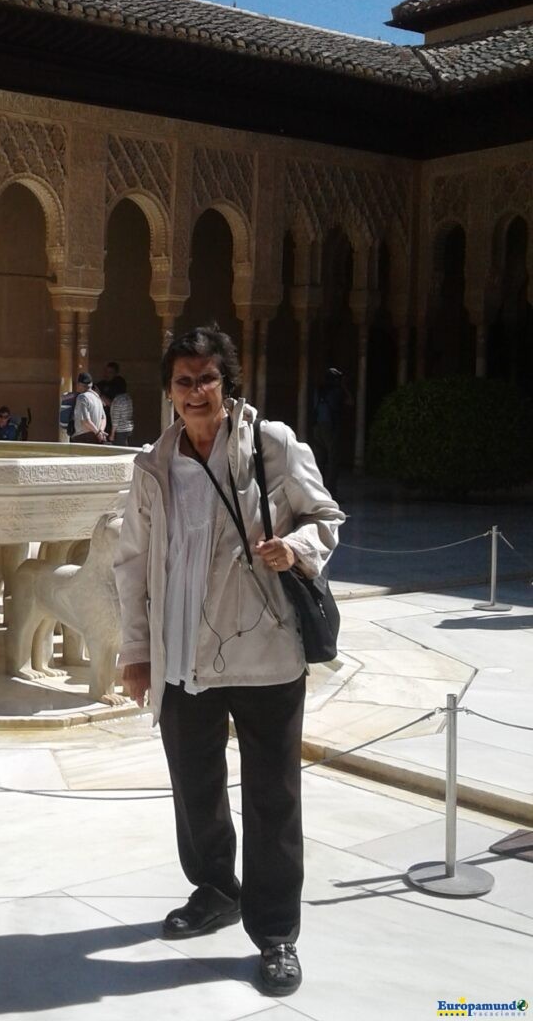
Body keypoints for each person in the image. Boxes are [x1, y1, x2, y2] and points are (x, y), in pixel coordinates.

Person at [114, 324, 343, 997]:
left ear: (227, 383)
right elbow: (132, 565)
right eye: (183, 381)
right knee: (195, 790)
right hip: (182, 658)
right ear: (169, 391)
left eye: (206, 379)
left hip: (265, 652)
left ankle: (275, 934)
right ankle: (216, 889)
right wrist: (136, 654)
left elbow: (326, 516)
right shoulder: (152, 465)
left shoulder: (271, 445)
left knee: (272, 798)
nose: (194, 392)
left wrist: (295, 548)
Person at [310, 367, 351, 498]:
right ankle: (331, 492)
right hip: (330, 427)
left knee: (320, 459)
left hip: (317, 427)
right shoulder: (337, 391)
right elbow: (351, 402)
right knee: (333, 460)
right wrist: (344, 387)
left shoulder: (319, 390)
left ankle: (317, 492)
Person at [70, 372, 107, 444]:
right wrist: (101, 431)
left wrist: (97, 433)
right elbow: (104, 418)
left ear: (79, 385)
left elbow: (85, 420)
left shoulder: (82, 397)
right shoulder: (97, 397)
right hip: (95, 438)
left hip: (83, 437)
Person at [107, 374, 134, 446]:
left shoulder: (117, 400)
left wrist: (112, 434)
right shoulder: (127, 398)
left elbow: (115, 419)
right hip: (129, 428)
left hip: (120, 431)